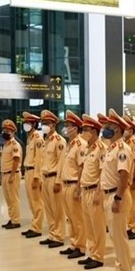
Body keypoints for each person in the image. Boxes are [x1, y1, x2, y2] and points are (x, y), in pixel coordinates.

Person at [99, 109, 134, 271]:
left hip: (116, 195)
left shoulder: (123, 149)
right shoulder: (111, 149)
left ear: (118, 130)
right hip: (109, 195)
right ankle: (118, 269)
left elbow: (123, 176)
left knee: (119, 236)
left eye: (110, 127)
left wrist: (118, 198)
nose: (105, 129)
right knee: (114, 236)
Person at [78, 114, 107, 269]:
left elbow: (103, 172)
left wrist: (98, 192)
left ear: (95, 131)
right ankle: (90, 253)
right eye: (83, 129)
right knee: (88, 225)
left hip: (94, 190)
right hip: (85, 189)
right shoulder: (88, 148)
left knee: (97, 226)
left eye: (87, 129)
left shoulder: (101, 148)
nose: (83, 132)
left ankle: (98, 256)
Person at [58, 110, 88, 259]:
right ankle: (73, 243)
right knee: (70, 217)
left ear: (75, 128)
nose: (65, 128)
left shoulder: (81, 145)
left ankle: (81, 246)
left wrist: (78, 187)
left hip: (73, 185)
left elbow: (81, 167)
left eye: (68, 125)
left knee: (77, 218)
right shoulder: (71, 144)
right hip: (66, 185)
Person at [39, 110, 67, 248]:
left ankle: (59, 236)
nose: (44, 125)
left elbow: (62, 162)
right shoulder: (45, 141)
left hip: (54, 178)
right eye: (43, 123)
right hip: (45, 177)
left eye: (47, 123)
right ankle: (52, 234)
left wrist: (58, 181)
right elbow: (43, 161)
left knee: (57, 209)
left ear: (54, 125)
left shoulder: (59, 141)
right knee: (49, 208)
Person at [20, 112, 45, 239]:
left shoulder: (38, 139)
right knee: (31, 201)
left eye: (28, 123)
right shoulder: (30, 138)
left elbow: (39, 159)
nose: (26, 125)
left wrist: (36, 177)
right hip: (28, 171)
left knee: (37, 201)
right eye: (25, 123)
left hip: (34, 172)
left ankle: (37, 228)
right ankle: (34, 225)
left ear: (34, 124)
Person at [0, 119, 22, 230]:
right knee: (8, 199)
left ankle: (16, 220)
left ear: (13, 132)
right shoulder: (6, 144)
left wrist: (12, 175)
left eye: (8, 130)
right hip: (5, 174)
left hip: (12, 174)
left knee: (13, 199)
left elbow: (16, 160)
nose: (5, 132)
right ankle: (12, 218)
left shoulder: (14, 144)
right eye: (4, 130)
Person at [123, 115, 135, 240]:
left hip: (133, 177)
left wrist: (134, 179)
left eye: (126, 128)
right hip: (128, 178)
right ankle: (130, 225)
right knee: (130, 204)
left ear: (131, 130)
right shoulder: (126, 142)